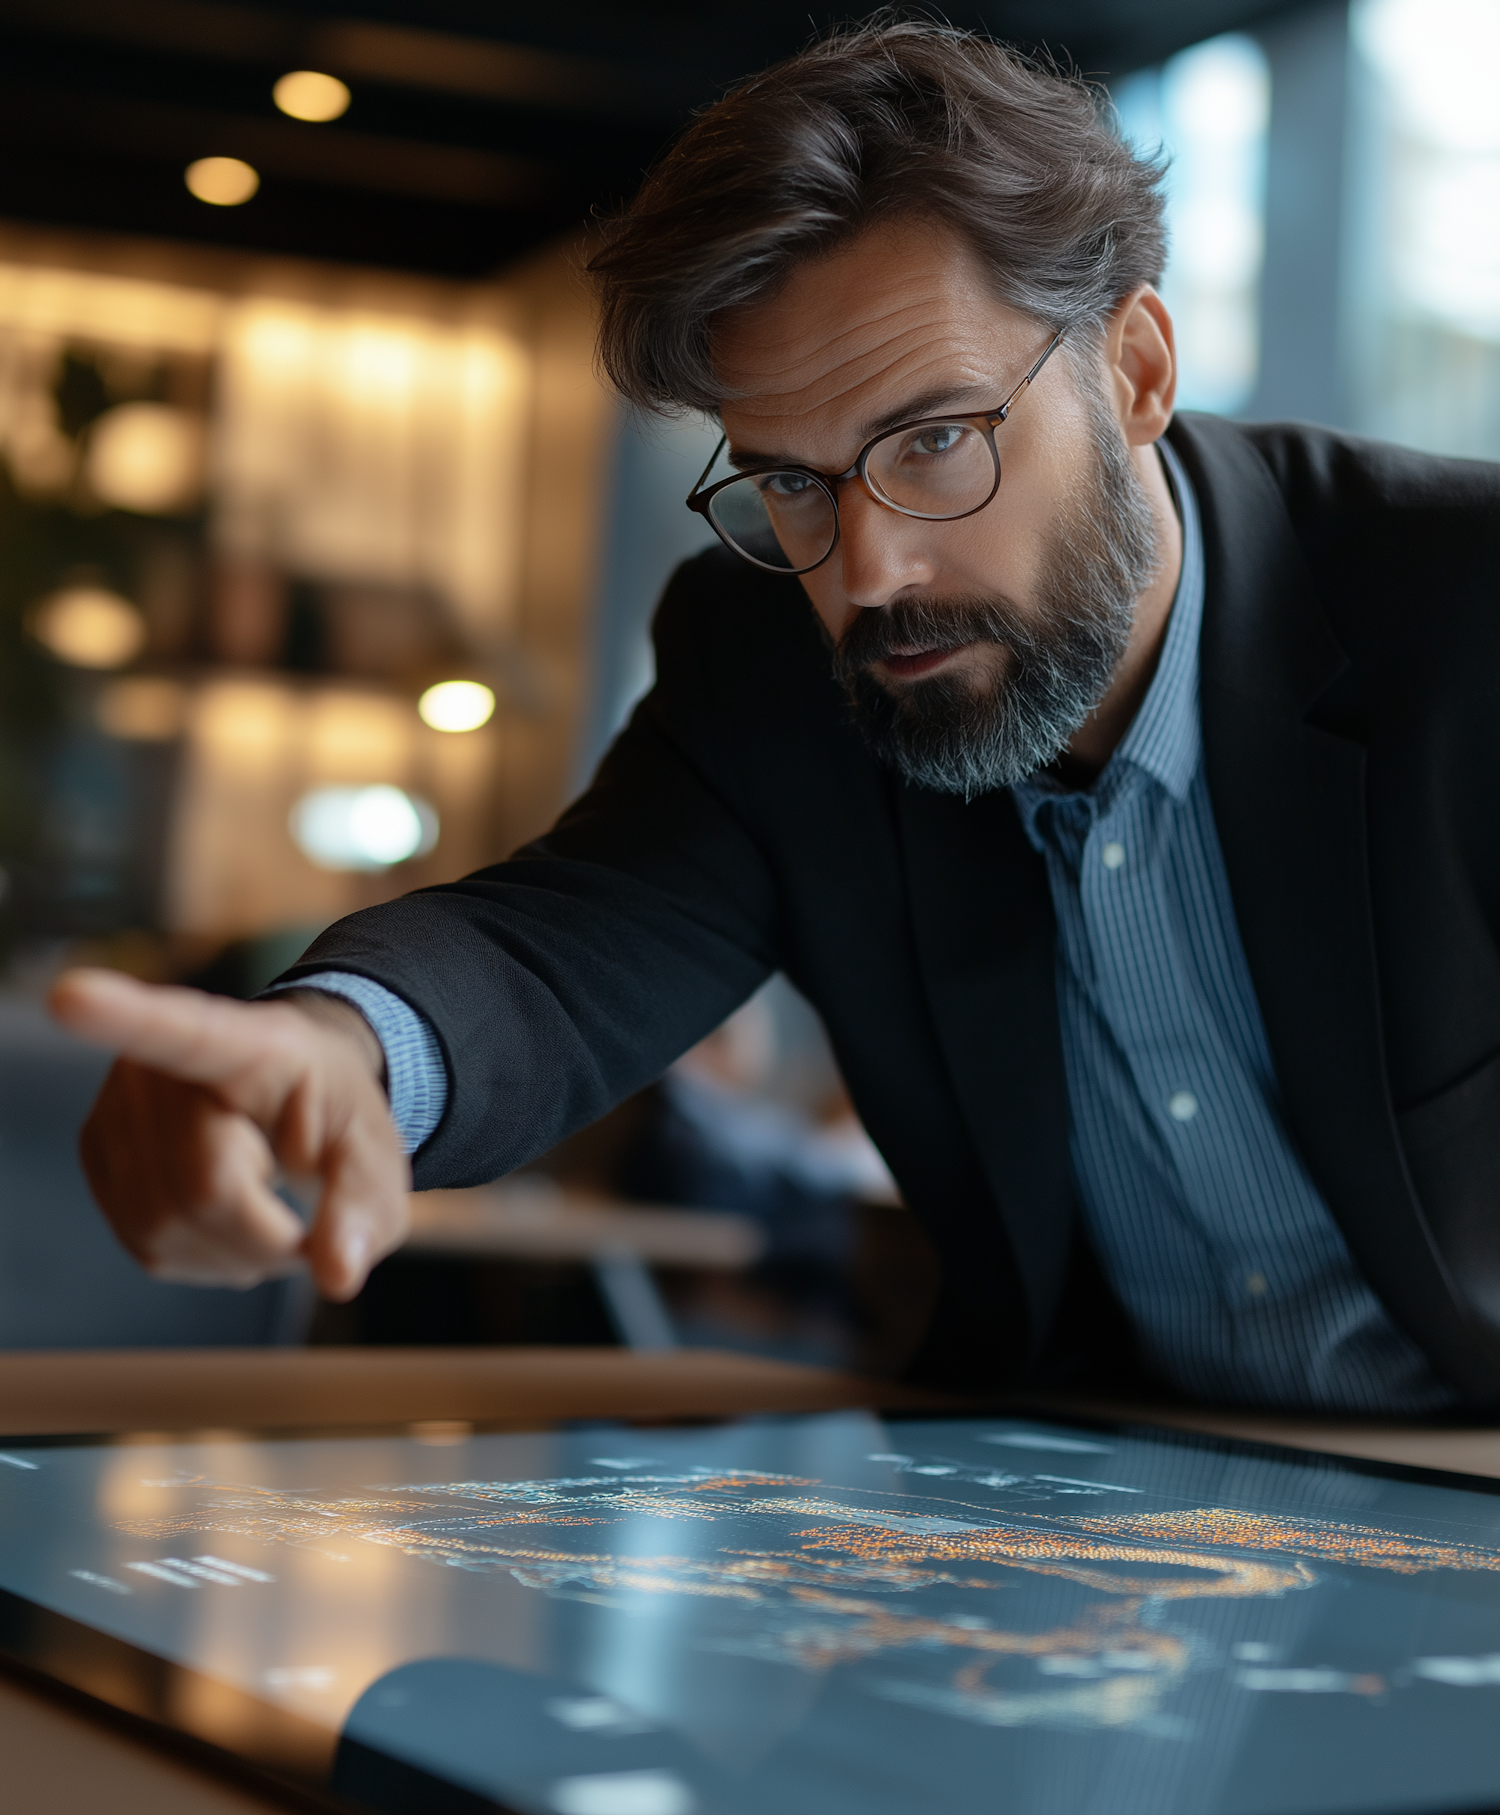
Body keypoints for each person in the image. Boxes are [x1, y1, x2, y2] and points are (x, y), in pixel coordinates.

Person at [51, 19, 1500, 1413]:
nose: (868, 574)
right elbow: (559, 949)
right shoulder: (766, 658)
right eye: (793, 480)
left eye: (936, 441)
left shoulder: (1463, 606)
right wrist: (335, 1050)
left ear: (1134, 372)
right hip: (1103, 1519)